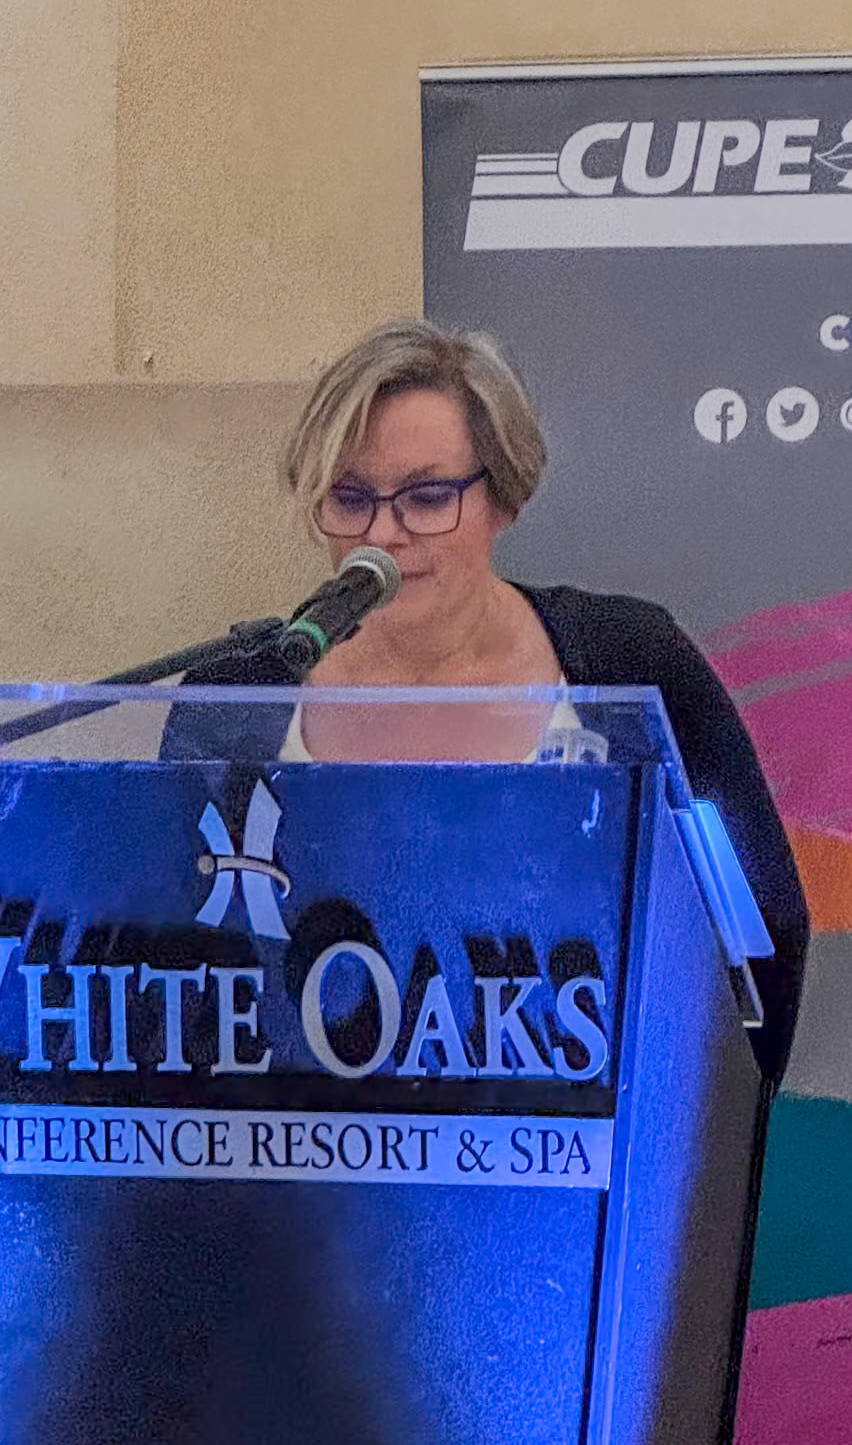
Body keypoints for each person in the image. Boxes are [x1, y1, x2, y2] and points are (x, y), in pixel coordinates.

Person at [162, 318, 808, 1083]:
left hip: (576, 1130)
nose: (383, 534)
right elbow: (165, 953)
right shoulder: (237, 699)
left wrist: (695, 1128)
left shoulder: (629, 660)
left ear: (503, 495)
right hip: (301, 1137)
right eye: (351, 497)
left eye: (427, 497)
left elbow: (760, 922)